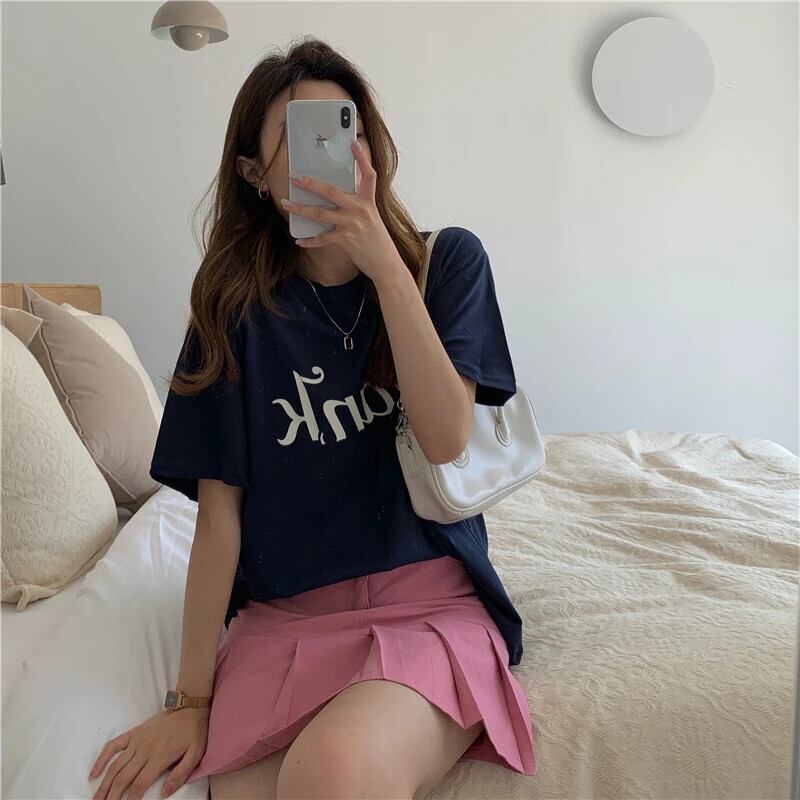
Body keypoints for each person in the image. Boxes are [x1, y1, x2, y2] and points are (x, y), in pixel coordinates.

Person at [87, 36, 537, 800]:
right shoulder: (233, 313)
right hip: (283, 624)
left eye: (345, 127)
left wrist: (384, 264)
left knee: (333, 772)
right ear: (254, 174)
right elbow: (218, 518)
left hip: (425, 606)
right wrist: (190, 702)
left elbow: (445, 438)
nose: (334, 153)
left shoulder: (447, 265)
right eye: (302, 137)